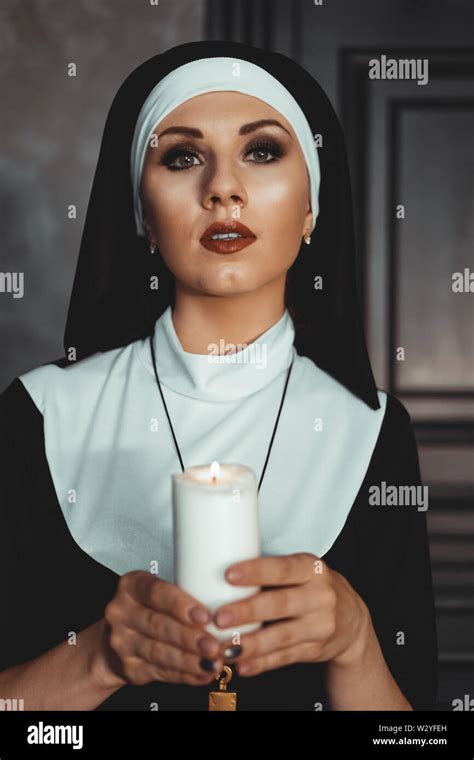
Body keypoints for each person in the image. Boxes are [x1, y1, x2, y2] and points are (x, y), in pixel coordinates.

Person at [0, 40, 438, 711]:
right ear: (142, 215)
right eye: (182, 156)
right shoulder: (39, 414)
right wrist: (98, 657)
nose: (223, 189)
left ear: (313, 204)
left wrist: (356, 643)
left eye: (261, 151)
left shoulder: (373, 431)